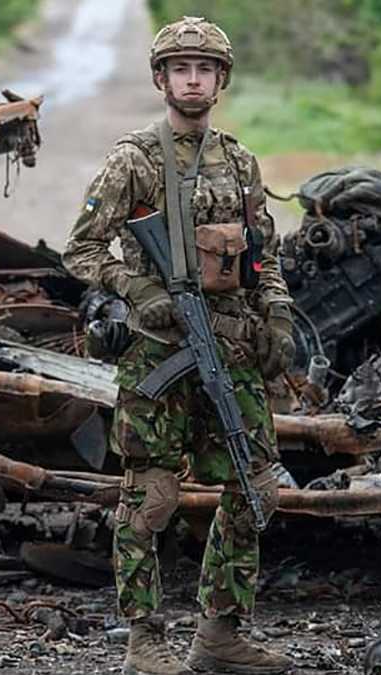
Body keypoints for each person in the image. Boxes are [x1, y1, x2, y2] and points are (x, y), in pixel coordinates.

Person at [62, 15, 296, 675]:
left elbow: (264, 258)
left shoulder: (240, 161)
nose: (192, 79)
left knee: (257, 490)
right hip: (159, 347)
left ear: (220, 81)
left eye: (204, 69)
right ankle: (144, 638)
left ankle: (219, 632)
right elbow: (81, 248)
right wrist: (137, 289)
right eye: (180, 68)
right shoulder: (133, 158)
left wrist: (275, 315)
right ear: (161, 79)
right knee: (151, 495)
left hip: (232, 346)